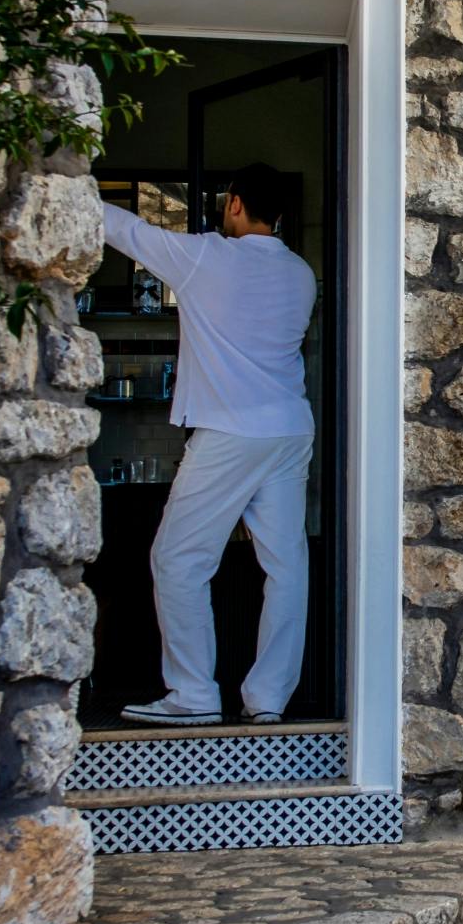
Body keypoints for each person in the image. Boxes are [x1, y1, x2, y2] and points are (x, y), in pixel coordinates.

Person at [99, 164, 318, 724]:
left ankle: (194, 694)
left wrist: (69, 188)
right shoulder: (300, 274)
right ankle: (268, 700)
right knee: (286, 567)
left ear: (236, 204)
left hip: (229, 430)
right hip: (289, 430)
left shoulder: (205, 257)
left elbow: (126, 230)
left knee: (177, 559)